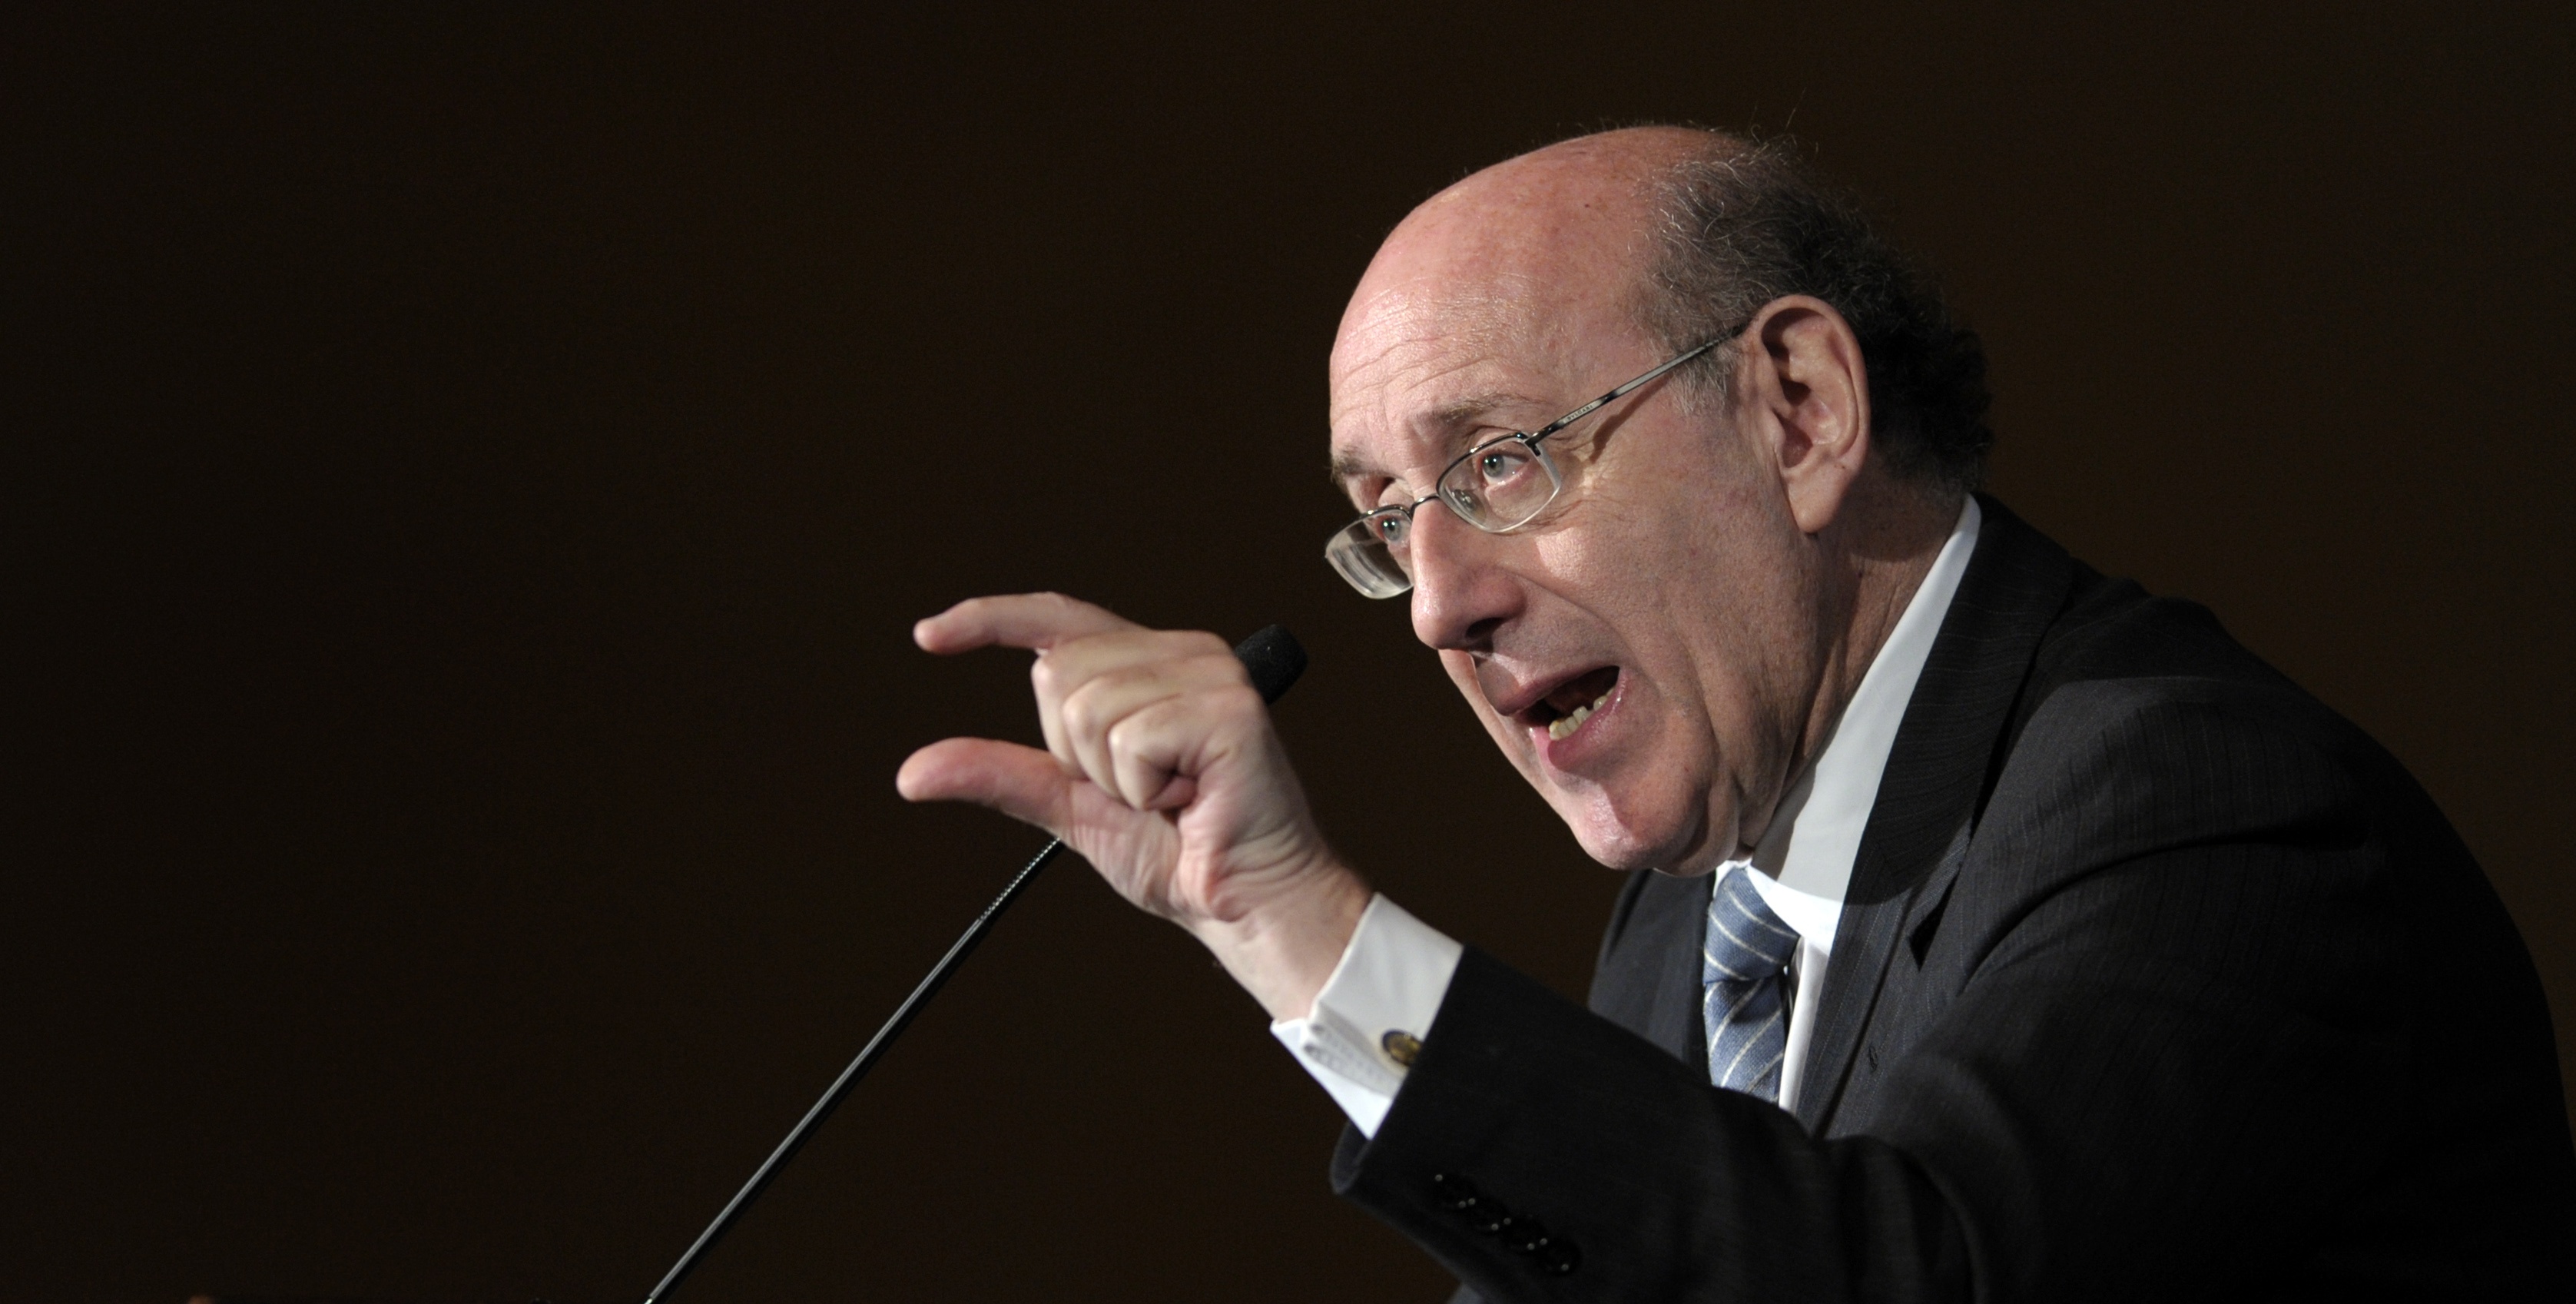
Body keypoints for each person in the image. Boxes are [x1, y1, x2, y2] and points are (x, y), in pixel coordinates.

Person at [895, 127, 2575, 1300]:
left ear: (1798, 406)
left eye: (1502, 461)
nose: (1437, 602)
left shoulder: (2190, 800)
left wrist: (1297, 921)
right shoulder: (1699, 921)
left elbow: (1897, 1276)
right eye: (1392, 519)